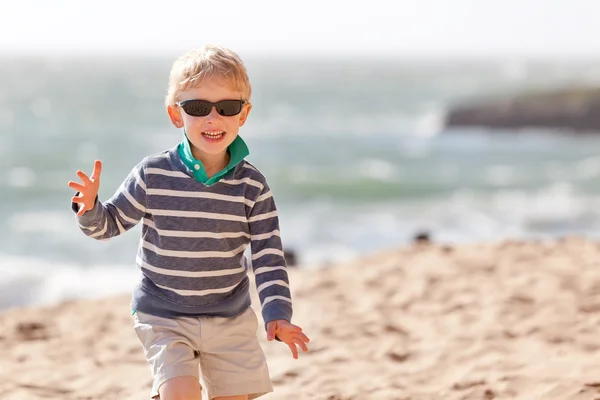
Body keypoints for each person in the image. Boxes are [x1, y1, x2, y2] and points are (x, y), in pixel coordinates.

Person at [67, 44, 310, 400]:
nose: (213, 119)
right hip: (163, 314)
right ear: (175, 114)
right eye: (197, 108)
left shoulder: (252, 186)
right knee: (179, 392)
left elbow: (268, 257)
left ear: (244, 115)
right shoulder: (153, 175)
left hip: (230, 316)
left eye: (227, 108)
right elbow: (109, 225)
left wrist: (277, 313)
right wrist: (89, 208)